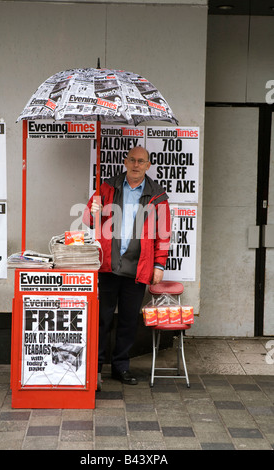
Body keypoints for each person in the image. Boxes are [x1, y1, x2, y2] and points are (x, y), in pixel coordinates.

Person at [83, 146, 171, 386]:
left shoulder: (158, 195)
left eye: (141, 161)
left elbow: (163, 234)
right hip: (107, 266)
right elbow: (87, 221)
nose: (135, 164)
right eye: (132, 159)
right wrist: (92, 211)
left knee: (129, 321)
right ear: (125, 161)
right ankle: (96, 368)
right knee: (101, 319)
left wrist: (159, 265)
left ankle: (120, 367)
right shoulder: (107, 187)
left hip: (138, 268)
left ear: (148, 165)